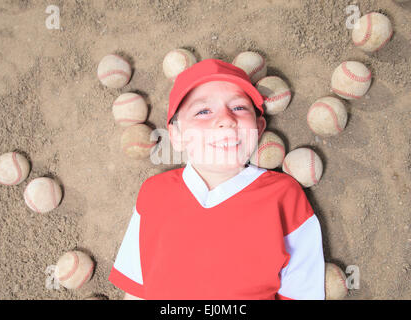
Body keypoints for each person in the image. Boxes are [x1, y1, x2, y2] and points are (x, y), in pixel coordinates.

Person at [108, 59, 325, 300]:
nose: (226, 119)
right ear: (177, 136)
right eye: (203, 111)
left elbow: (303, 293)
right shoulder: (153, 193)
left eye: (240, 108)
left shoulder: (284, 194)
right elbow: (137, 291)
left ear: (259, 127)